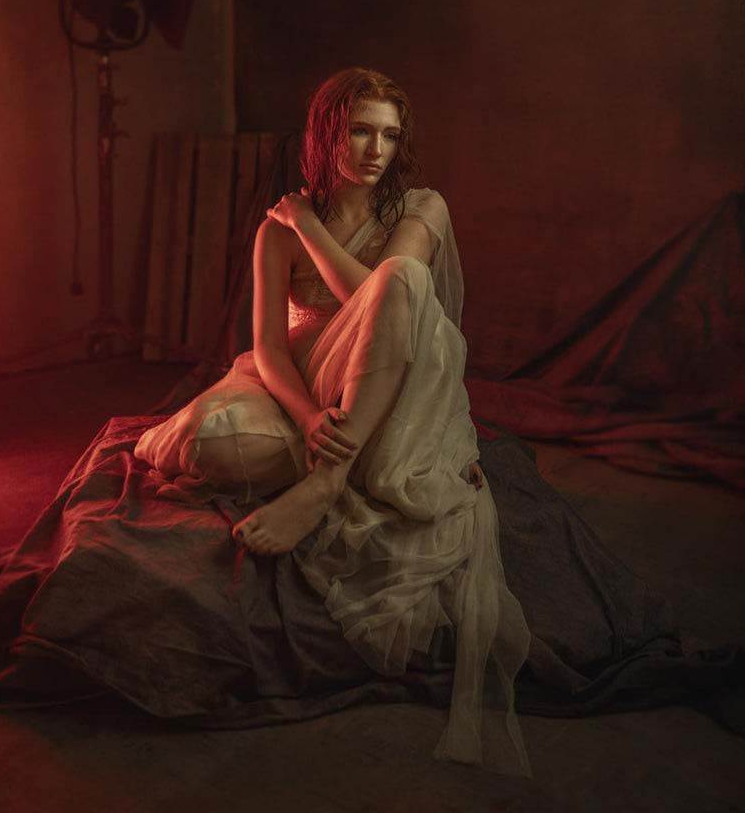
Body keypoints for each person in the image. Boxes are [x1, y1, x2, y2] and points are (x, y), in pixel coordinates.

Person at [133, 66, 531, 773]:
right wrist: (309, 413)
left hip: (402, 371)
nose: (376, 149)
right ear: (327, 134)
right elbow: (266, 346)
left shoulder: (421, 206)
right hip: (312, 377)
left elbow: (378, 301)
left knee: (401, 278)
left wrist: (308, 225)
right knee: (207, 443)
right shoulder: (276, 231)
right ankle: (338, 448)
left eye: (389, 135)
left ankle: (327, 480)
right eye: (359, 131)